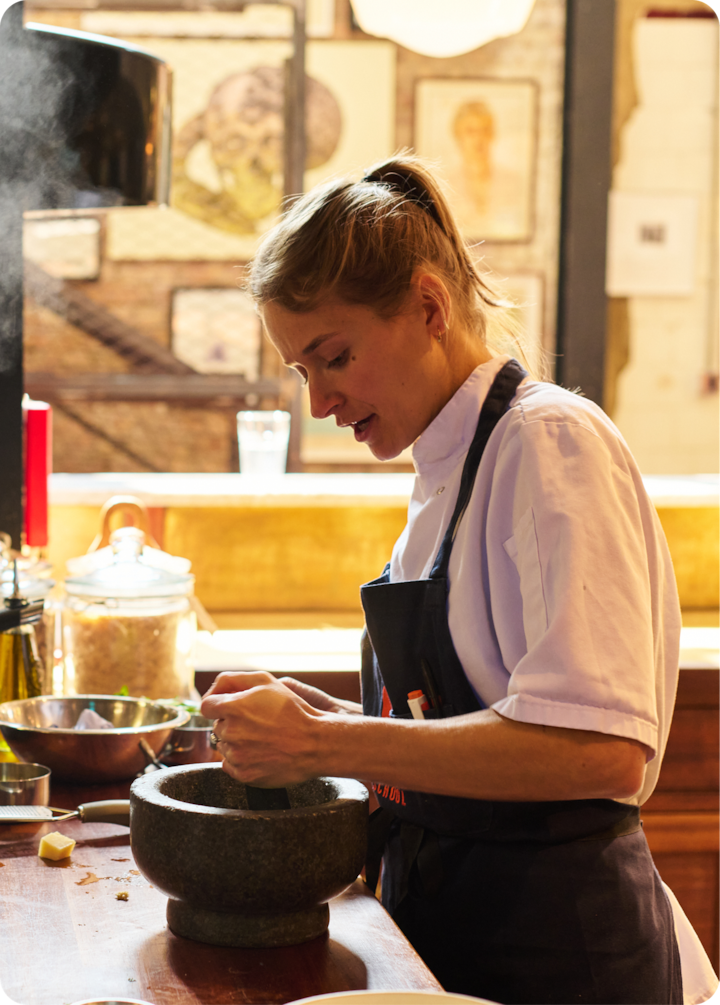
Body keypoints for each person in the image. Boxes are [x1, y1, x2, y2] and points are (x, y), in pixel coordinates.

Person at [201, 157, 719, 1005]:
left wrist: (327, 743)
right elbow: (468, 721)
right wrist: (329, 717)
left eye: (334, 357)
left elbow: (602, 750)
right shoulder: (444, 473)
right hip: (460, 936)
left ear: (430, 307)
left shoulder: (548, 444)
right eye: (302, 372)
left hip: (561, 956)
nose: (320, 403)